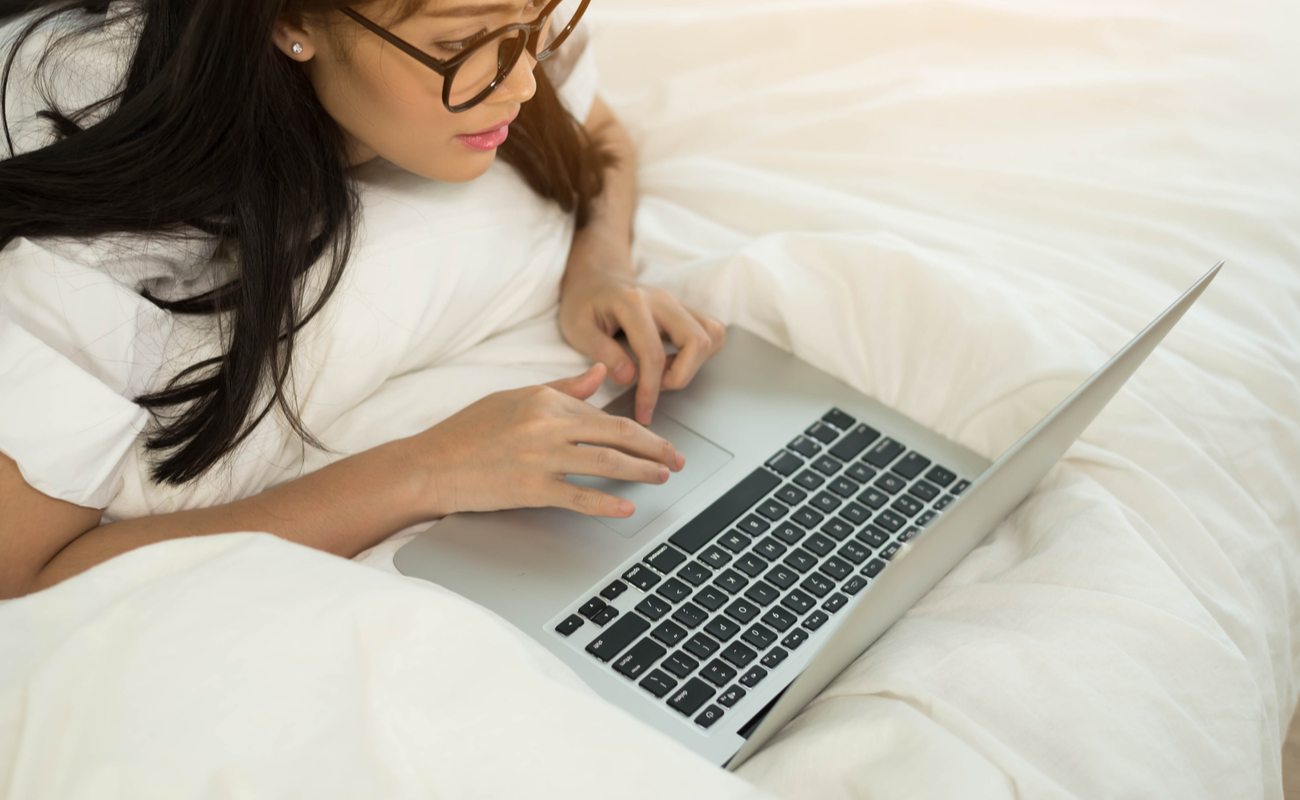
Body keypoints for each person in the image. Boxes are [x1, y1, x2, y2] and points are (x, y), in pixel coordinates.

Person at [0, 0, 728, 599]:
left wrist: (596, 272)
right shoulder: (116, 225)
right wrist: (428, 468)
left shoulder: (496, 34)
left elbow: (593, 128)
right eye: (459, 41)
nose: (523, 84)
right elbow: (27, 575)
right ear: (291, 24)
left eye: (534, 24)